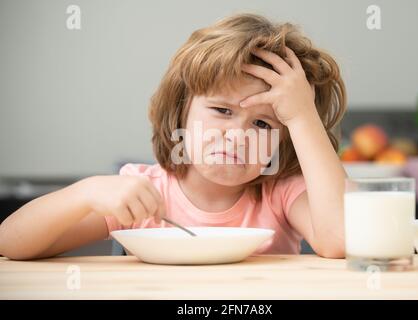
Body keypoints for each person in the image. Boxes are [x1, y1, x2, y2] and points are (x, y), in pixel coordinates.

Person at [0, 13, 347, 260]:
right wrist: (85, 192)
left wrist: (302, 116)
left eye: (262, 124)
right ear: (181, 111)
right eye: (222, 111)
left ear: (285, 141)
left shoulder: (281, 193)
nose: (238, 136)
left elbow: (343, 241)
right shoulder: (143, 193)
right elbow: (10, 243)